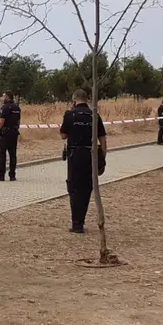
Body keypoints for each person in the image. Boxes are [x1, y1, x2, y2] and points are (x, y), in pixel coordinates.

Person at [60, 89, 106, 233]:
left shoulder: (70, 114)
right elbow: (102, 139)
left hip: (75, 155)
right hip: (90, 155)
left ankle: (76, 224)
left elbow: (63, 135)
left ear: (74, 99)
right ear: (87, 99)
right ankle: (81, 219)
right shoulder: (94, 115)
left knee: (74, 187)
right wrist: (103, 158)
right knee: (86, 188)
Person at [0, 91, 21, 181]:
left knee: (2, 153)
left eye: (4, 96)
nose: (3, 98)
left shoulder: (5, 107)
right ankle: (12, 175)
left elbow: (2, 121)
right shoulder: (17, 108)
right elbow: (18, 122)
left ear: (7, 97)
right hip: (14, 133)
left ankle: (1, 175)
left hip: (6, 133)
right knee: (13, 154)